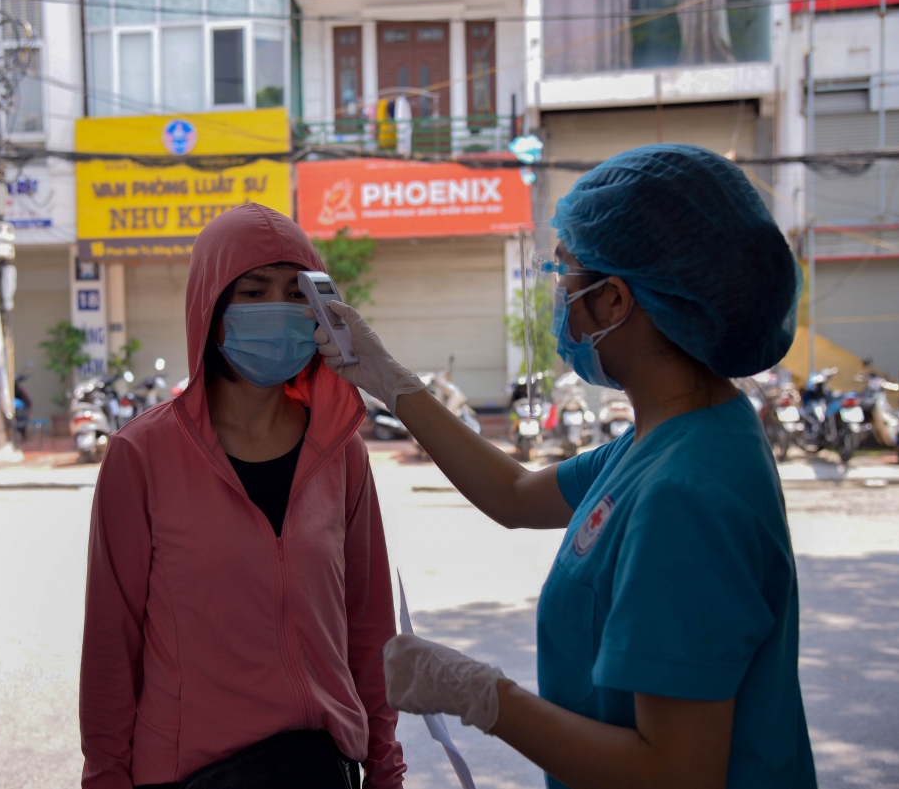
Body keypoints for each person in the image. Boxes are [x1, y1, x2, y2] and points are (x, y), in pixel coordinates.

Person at [308, 145, 816, 788]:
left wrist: (484, 696)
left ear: (612, 303)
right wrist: (391, 380)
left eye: (566, 274)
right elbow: (516, 493)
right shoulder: (679, 434)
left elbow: (675, 773)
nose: (558, 297)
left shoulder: (686, 493)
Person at [80, 204, 406, 789]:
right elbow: (110, 647)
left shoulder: (341, 451)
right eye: (253, 292)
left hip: (321, 770)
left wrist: (385, 766)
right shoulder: (141, 457)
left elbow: (370, 625)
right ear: (210, 306)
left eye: (294, 293)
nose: (277, 310)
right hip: (191, 775)